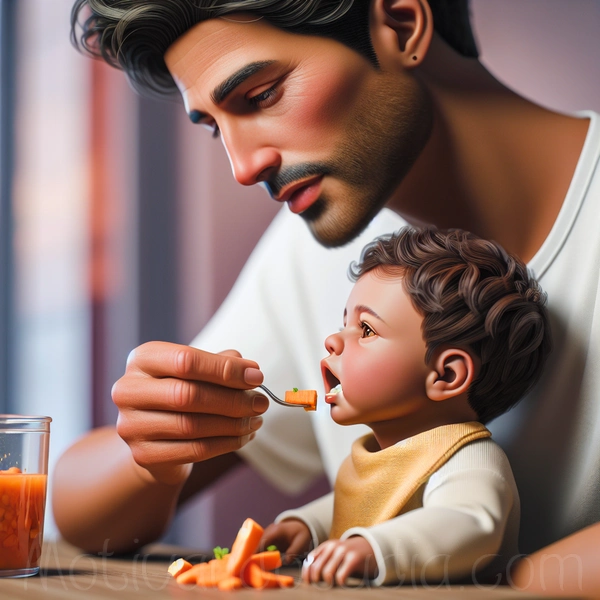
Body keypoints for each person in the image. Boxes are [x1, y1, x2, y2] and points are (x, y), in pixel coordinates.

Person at [55, 0, 600, 594]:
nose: (243, 166)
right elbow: (82, 513)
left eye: (261, 95)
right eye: (215, 127)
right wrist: (155, 455)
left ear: (399, 24)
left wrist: (510, 582)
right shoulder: (310, 252)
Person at [259, 227, 549, 586]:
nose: (333, 340)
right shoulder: (371, 454)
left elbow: (470, 522)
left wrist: (374, 548)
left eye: (365, 330)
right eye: (343, 323)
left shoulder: (466, 457)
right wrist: (307, 526)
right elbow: (364, 501)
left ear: (445, 375)